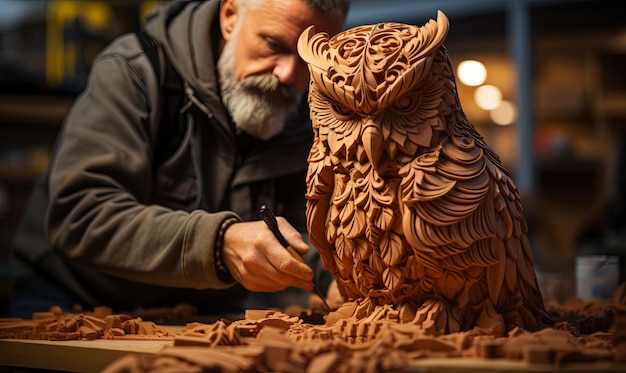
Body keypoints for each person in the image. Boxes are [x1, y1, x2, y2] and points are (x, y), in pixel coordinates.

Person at [7, 0, 349, 319]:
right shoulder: (136, 72)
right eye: (274, 45)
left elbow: (306, 231)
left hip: (201, 312)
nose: (289, 75)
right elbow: (78, 214)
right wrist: (219, 244)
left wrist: (339, 280)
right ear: (230, 16)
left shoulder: (304, 113)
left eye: (307, 60)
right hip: (72, 297)